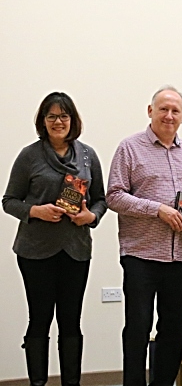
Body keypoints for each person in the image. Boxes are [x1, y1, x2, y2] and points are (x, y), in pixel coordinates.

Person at [2, 92, 108, 386]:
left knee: (71, 321)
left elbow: (101, 199)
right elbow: (9, 200)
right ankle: (38, 382)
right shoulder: (29, 156)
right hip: (35, 251)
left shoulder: (88, 156)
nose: (58, 121)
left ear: (72, 120)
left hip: (76, 251)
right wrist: (35, 210)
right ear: (43, 121)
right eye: (52, 116)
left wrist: (92, 217)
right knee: (39, 318)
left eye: (64, 116)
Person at [106, 86, 182, 386]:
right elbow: (113, 196)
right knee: (138, 328)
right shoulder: (129, 148)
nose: (169, 115)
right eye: (163, 109)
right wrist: (157, 210)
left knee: (174, 330)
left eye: (175, 111)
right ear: (150, 111)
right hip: (142, 256)